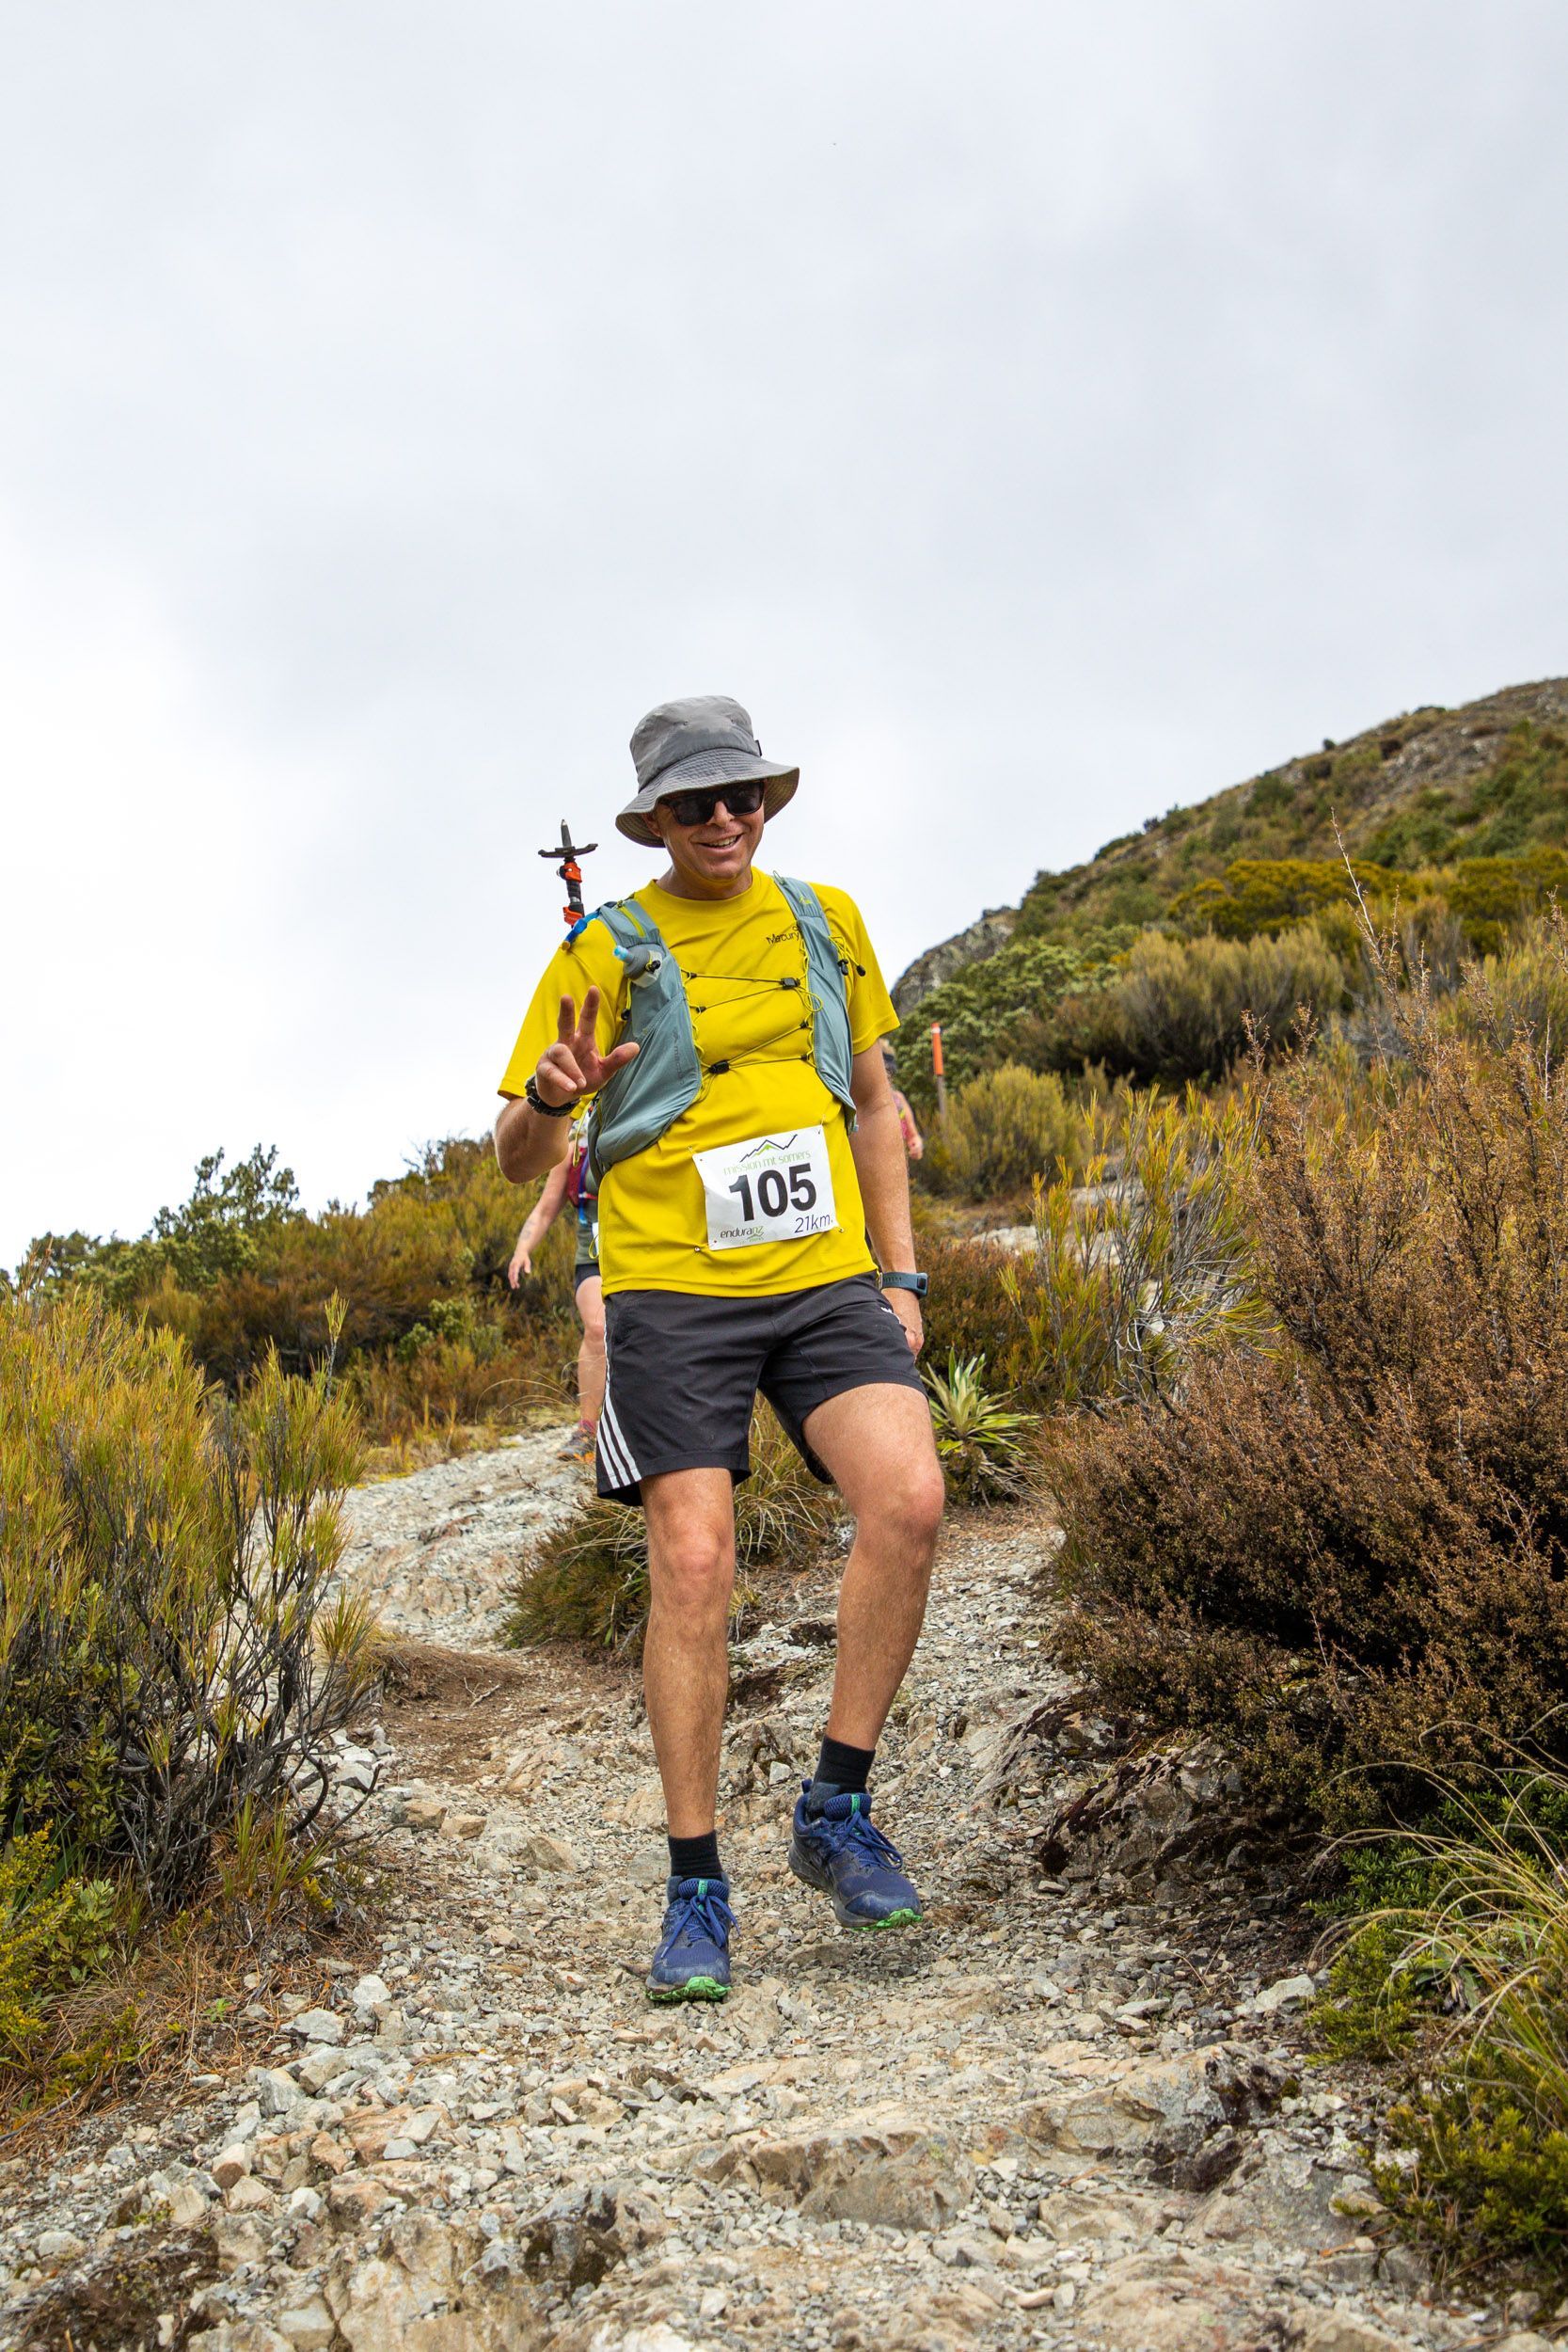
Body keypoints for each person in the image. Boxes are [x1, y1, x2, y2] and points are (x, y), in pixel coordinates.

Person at [495, 693, 944, 2003]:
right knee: (692, 1560)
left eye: (744, 796)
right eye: (697, 804)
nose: (726, 820)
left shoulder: (826, 921)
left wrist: (897, 1272)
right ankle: (696, 1885)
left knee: (909, 1498)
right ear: (655, 821)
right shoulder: (599, 951)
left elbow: (871, 1100)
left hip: (821, 1283)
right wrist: (550, 1098)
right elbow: (518, 1156)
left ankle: (834, 1808)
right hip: (670, 1296)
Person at [507, 1118, 603, 1462]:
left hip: (645, 1248)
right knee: (597, 1328)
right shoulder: (574, 1139)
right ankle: (587, 1431)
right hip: (592, 1254)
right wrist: (522, 1249)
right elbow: (546, 1208)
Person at [880, 1040, 925, 1160]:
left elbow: (913, 1136)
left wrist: (917, 1145)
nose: (889, 1077)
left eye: (890, 1072)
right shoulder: (859, 1101)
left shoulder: (898, 1099)